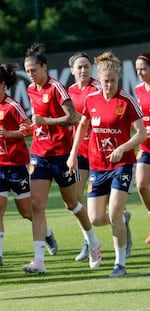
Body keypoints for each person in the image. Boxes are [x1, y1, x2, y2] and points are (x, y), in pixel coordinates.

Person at [21, 44, 101, 274]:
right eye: (27, 71)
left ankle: (93, 242)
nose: (31, 74)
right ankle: (38, 260)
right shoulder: (31, 89)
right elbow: (37, 118)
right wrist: (30, 123)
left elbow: (73, 118)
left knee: (72, 203)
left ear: (44, 67)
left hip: (62, 155)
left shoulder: (56, 87)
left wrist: (46, 121)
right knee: (36, 205)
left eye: (34, 69)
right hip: (39, 155)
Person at [67, 51, 146, 277]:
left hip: (122, 165)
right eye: (105, 81)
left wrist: (122, 148)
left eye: (112, 81)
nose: (108, 85)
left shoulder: (126, 101)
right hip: (97, 165)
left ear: (118, 79)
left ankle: (119, 264)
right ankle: (123, 220)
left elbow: (141, 134)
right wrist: (73, 154)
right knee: (96, 218)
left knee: (113, 213)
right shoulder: (91, 99)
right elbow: (82, 126)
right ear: (99, 80)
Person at [0, 62, 57, 268]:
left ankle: (47, 233)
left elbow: (29, 129)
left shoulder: (12, 106)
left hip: (17, 166)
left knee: (26, 212)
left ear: (2, 85)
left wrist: (9, 134)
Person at [67, 52, 103, 261]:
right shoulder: (69, 92)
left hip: (99, 151)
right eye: (79, 67)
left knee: (101, 201)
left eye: (86, 66)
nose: (83, 70)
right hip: (79, 152)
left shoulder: (99, 88)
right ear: (72, 70)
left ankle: (120, 221)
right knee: (75, 198)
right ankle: (89, 241)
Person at [134, 53, 150, 244]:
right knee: (141, 185)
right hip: (145, 146)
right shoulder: (137, 90)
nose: (140, 72)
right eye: (138, 69)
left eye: (143, 68)